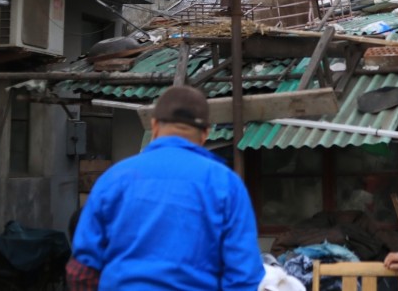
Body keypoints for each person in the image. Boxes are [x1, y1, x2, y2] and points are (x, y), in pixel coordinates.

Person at [66, 86, 264, 291]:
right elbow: (244, 277)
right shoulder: (226, 184)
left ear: (154, 126)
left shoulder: (114, 179)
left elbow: (82, 272)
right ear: (205, 133)